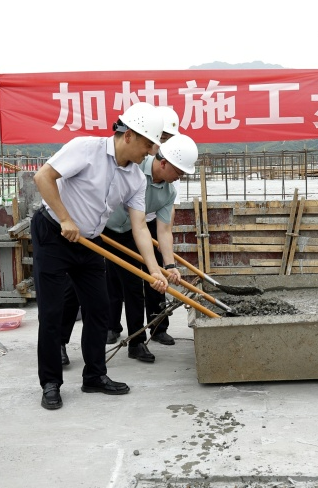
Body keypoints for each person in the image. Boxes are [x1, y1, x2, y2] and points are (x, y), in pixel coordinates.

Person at [33, 101, 168, 410]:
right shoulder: (86, 148)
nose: (150, 152)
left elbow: (140, 227)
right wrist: (65, 219)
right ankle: (50, 382)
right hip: (53, 233)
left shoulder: (136, 179)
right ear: (129, 136)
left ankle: (94, 375)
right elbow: (43, 177)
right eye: (148, 144)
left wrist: (154, 270)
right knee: (52, 312)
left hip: (90, 241)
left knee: (100, 310)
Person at [102, 133, 197, 363]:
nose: (178, 178)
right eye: (178, 172)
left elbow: (163, 231)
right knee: (85, 287)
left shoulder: (168, 192)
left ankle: (136, 343)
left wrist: (169, 266)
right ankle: (61, 343)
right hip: (99, 226)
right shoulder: (135, 167)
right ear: (163, 163)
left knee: (135, 286)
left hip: (130, 231)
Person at [107, 106, 185, 347]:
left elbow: (165, 226)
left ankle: (155, 328)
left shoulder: (173, 172)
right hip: (109, 225)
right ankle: (111, 326)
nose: (160, 145)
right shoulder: (136, 164)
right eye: (161, 138)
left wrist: (169, 265)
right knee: (111, 280)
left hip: (144, 224)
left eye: (167, 138)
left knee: (151, 277)